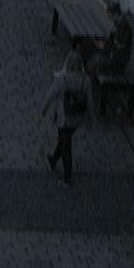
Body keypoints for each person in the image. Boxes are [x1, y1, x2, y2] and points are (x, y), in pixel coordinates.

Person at [43, 47, 89, 184]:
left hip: (64, 117)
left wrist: (44, 109)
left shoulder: (62, 79)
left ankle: (67, 177)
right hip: (77, 118)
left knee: (66, 145)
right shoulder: (85, 80)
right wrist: (90, 118)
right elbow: (90, 100)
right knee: (65, 138)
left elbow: (50, 95)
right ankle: (53, 159)